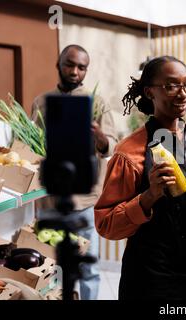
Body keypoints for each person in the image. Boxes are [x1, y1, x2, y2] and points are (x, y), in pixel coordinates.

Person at [94, 55, 186, 300]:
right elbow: (106, 225)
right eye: (171, 85)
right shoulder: (128, 153)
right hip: (150, 278)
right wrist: (149, 196)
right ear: (149, 92)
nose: (183, 93)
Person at [31, 44, 118, 300]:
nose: (75, 71)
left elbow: (110, 146)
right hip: (49, 198)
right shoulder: (41, 102)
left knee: (88, 267)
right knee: (50, 263)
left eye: (82, 67)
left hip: (84, 200)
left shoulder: (96, 103)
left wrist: (100, 136)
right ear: (58, 65)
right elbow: (30, 147)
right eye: (70, 64)